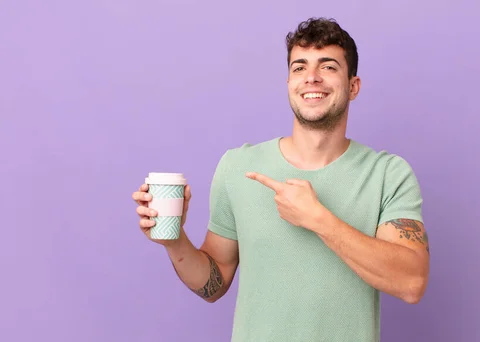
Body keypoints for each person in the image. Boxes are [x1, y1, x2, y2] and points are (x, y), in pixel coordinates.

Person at [132, 17, 430, 342]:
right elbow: (213, 284)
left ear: (353, 86)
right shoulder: (238, 167)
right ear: (289, 82)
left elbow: (411, 283)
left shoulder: (388, 174)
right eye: (299, 68)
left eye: (328, 67)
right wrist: (174, 241)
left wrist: (319, 220)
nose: (311, 78)